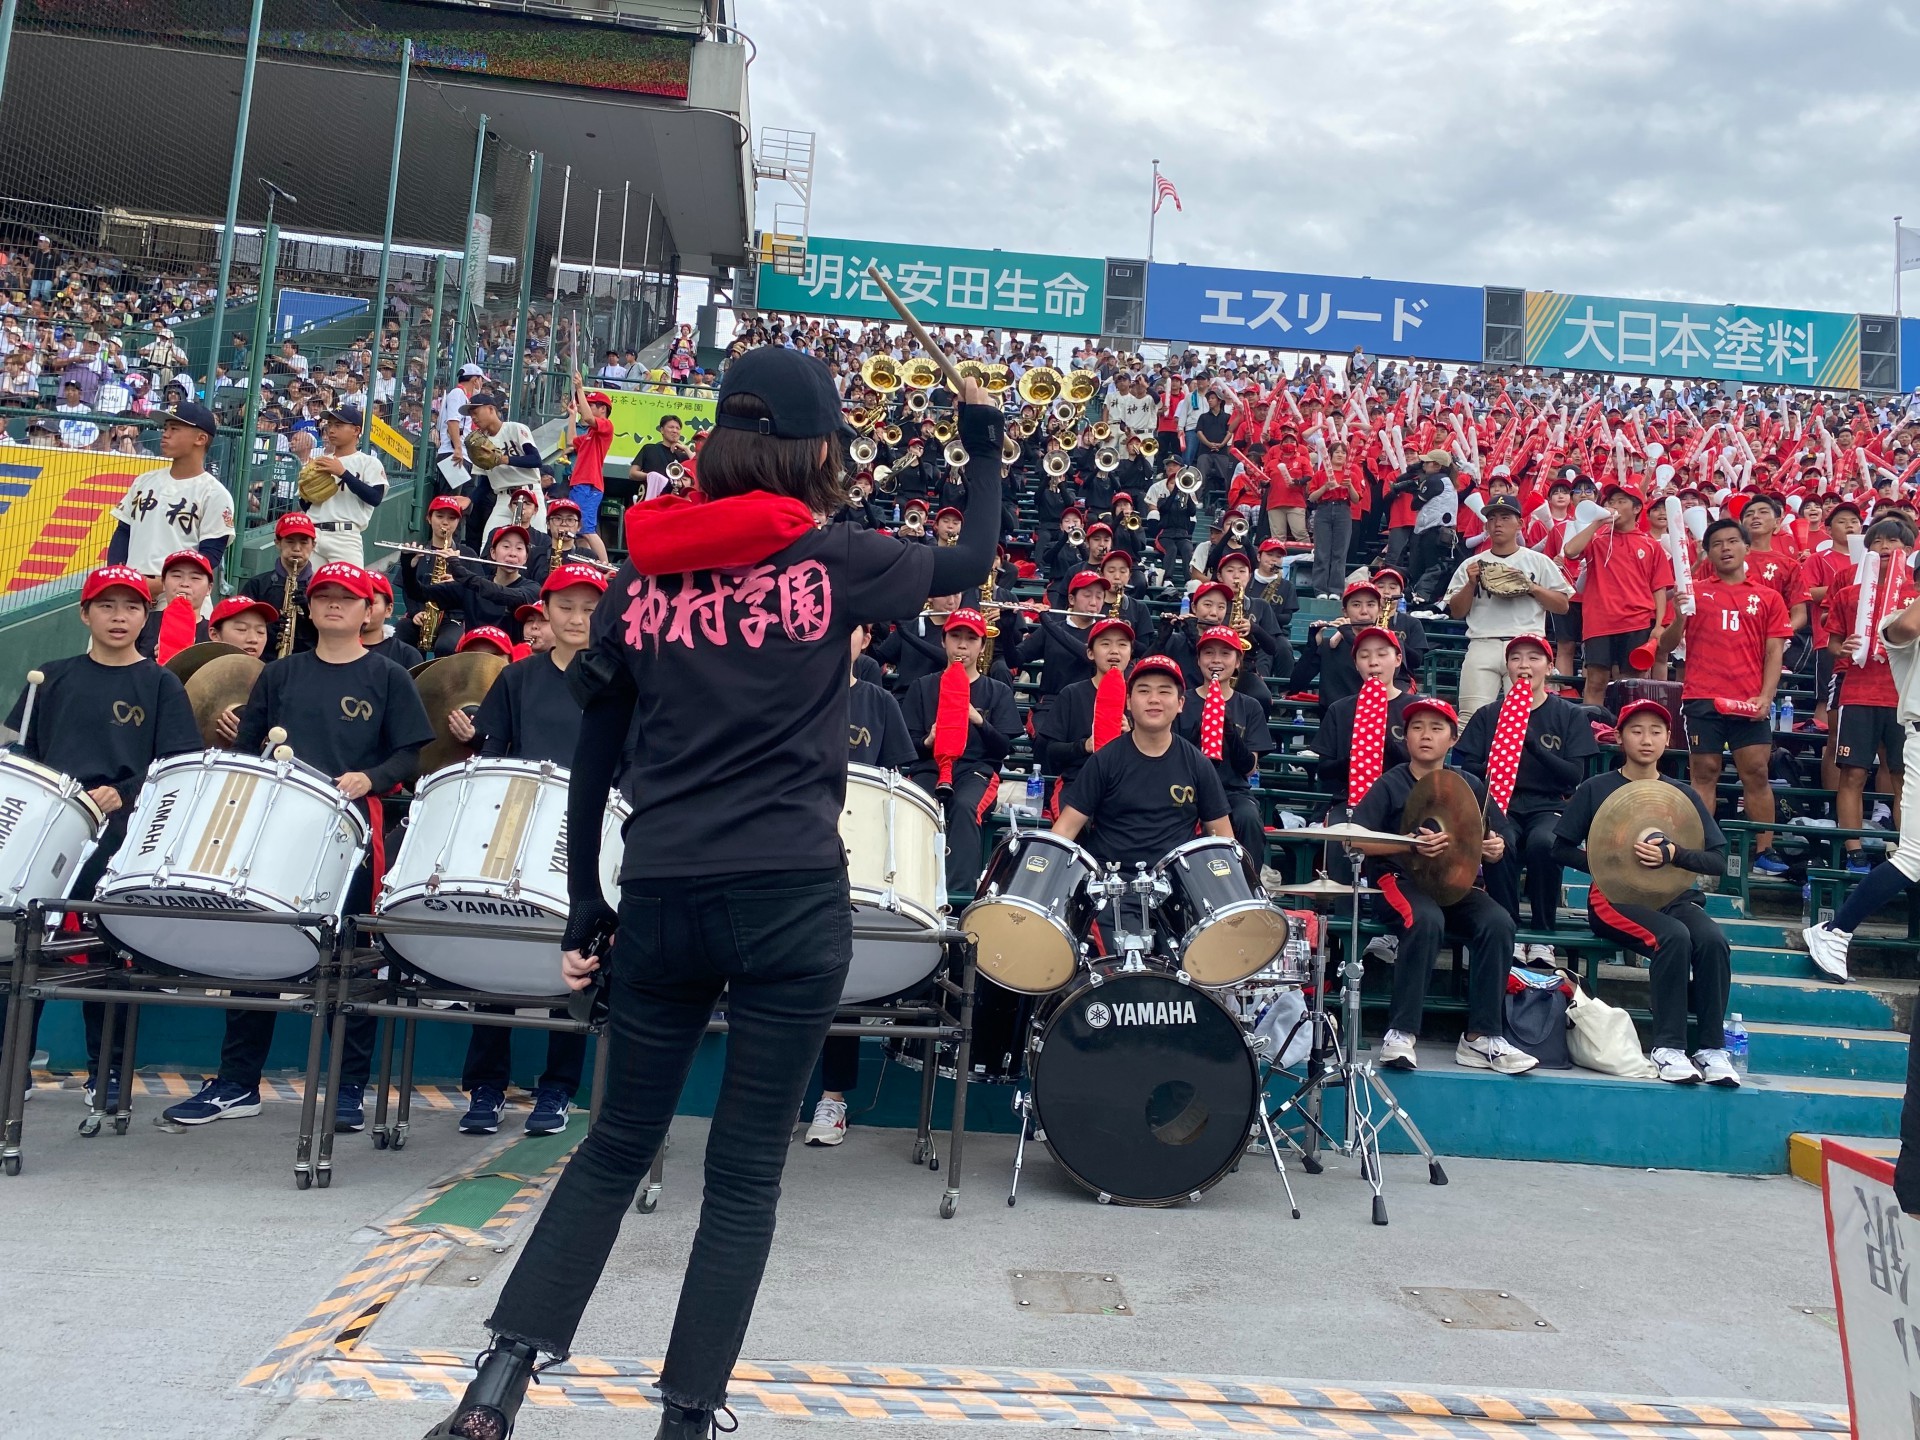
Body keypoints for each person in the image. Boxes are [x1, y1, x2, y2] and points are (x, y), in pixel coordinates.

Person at [426, 350, 1003, 1440]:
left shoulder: (643, 579)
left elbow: (598, 734)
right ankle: (687, 1421)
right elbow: (971, 556)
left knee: (615, 1143)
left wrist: (588, 895)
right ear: (813, 447)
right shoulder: (837, 561)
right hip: (789, 894)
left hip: (663, 886)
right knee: (741, 1177)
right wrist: (979, 444)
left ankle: (495, 1385)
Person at [162, 562, 433, 1132]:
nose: (335, 605)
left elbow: (410, 756)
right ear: (308, 610)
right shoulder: (281, 675)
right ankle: (238, 1083)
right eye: (324, 597)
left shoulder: (388, 677)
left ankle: (347, 1087)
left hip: (353, 832)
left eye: (348, 598)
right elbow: (253, 749)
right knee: (252, 950)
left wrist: (370, 777)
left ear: (368, 610)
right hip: (275, 831)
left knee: (352, 960)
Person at [0, 567, 201, 1108]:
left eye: (132, 607)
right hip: (47, 836)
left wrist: (123, 790)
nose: (119, 617)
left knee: (111, 957)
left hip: (123, 838)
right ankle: (9, 1069)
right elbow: (20, 758)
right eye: (107, 606)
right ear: (84, 613)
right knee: (21, 951)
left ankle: (107, 1075)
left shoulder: (160, 683)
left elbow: (177, 768)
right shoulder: (52, 676)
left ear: (146, 615)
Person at [455, 564, 610, 1138]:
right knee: (500, 953)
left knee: (574, 964)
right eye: (565, 607)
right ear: (544, 611)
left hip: (591, 834)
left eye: (590, 608)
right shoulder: (518, 679)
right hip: (520, 825)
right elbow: (495, 753)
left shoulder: (623, 681)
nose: (577, 619)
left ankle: (557, 1089)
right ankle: (487, 1085)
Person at [1554, 700, 1737, 1085]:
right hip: (1613, 898)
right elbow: (1559, 847)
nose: (1647, 739)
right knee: (1673, 938)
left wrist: (1675, 854)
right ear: (1619, 738)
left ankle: (1710, 1048)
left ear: (1668, 739)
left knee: (1713, 941)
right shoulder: (1595, 788)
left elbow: (1718, 860)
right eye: (1636, 730)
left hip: (1672, 896)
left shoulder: (1680, 794)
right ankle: (1668, 1047)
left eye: (1656, 731)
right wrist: (1610, 861)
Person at [1349, 699, 1531, 1075]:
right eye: (1417, 727)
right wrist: (1408, 844)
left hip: (1457, 885)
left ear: (1453, 739)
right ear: (1405, 737)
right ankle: (1400, 1033)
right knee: (1426, 919)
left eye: (1436, 728)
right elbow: (1354, 839)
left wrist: (1495, 846)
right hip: (1399, 881)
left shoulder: (1470, 785)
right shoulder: (1391, 782)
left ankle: (1481, 1037)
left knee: (1499, 923)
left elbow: (1501, 834)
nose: (1426, 735)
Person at [807, 624, 918, 1149]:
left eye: (849, 628)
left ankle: (832, 1099)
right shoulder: (785, 689)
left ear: (865, 640)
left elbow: (900, 784)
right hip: (789, 845)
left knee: (840, 978)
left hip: (855, 857)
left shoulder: (877, 702)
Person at [1804, 542, 1920, 986]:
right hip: (1914, 734)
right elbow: (1903, 628)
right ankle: (1835, 931)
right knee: (1912, 856)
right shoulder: (1898, 617)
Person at [1654, 517, 1792, 878]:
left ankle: (1765, 850)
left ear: (1747, 547)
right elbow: (1664, 648)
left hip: (1750, 700)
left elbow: (1774, 652)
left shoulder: (1768, 597)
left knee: (1757, 772)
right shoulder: (1694, 592)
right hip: (1702, 696)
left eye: (1733, 541)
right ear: (1708, 552)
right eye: (1717, 543)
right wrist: (1681, 619)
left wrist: (1766, 696)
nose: (1726, 548)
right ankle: (1695, 852)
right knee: (1704, 772)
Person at [1453, 635, 1597, 956]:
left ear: (1548, 667)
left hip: (1548, 805)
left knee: (1544, 842)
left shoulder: (1569, 715)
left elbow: (1574, 777)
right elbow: (1467, 765)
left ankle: (1544, 934)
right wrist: (1498, 757)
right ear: (1507, 667)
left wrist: (1532, 744)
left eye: (1533, 658)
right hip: (1500, 804)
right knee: (1499, 841)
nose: (1524, 665)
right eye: (1516, 658)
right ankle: (1510, 930)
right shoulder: (1489, 714)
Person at [1051, 654, 1233, 883]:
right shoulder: (1104, 760)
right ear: (1128, 702)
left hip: (1177, 892)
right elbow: (1065, 830)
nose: (1154, 699)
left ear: (1180, 704)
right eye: (1144, 691)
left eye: (1165, 691)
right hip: (1111, 889)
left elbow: (1223, 838)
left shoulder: (1197, 764)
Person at [900, 608, 1022, 895]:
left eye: (971, 638)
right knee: (918, 807)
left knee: (965, 807)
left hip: (975, 772)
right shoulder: (922, 686)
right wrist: (927, 742)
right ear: (943, 641)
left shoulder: (996, 690)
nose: (962, 645)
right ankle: (911, 890)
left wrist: (978, 720)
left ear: (982, 645)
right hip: (929, 769)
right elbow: (906, 746)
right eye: (955, 636)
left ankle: (957, 897)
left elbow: (1004, 748)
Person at [1441, 497, 1575, 722]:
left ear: (1520, 524)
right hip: (1483, 643)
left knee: (1525, 719)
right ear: (1485, 526)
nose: (1497, 524)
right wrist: (1471, 583)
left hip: (1526, 644)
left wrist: (1531, 587)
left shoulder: (1538, 561)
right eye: (1492, 519)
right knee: (1470, 719)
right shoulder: (1472, 565)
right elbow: (1456, 611)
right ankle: (1475, 759)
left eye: (1505, 518)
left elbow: (1562, 606)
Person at [1563, 482, 1673, 706]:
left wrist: (1659, 625)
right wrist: (1597, 522)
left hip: (1637, 622)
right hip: (1599, 622)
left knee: (1631, 682)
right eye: (1610, 502)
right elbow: (1570, 551)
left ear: (1636, 509)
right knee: (1595, 679)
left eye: (1621, 501)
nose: (1614, 506)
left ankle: (1626, 729)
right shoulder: (1597, 540)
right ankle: (1592, 730)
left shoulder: (1651, 545)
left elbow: (1659, 588)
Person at [1175, 625, 1272, 868]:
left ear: (1238, 661)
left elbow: (1249, 768)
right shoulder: (1180, 702)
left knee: (1248, 818)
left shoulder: (1249, 706)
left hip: (1232, 790)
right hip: (1185, 789)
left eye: (1225, 654)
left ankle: (1250, 886)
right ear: (1198, 660)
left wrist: (1228, 730)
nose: (1216, 660)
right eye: (1209, 653)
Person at [106, 401, 233, 580]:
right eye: (165, 428)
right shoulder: (144, 481)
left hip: (181, 595)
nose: (165, 434)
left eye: (174, 428)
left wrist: (164, 585)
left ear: (200, 439)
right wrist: (119, 577)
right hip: (133, 591)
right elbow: (123, 532)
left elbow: (210, 555)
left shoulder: (214, 493)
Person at [1032, 617, 1134, 816]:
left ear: (1130, 653)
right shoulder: (1072, 694)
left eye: (1122, 645)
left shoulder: (1140, 695)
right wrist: (1084, 746)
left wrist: (1133, 734)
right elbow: (1051, 751)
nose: (1114, 651)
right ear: (1090, 653)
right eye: (1105, 644)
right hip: (1077, 781)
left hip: (1127, 782)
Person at [299, 406, 387, 566]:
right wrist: (307, 493)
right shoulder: (320, 462)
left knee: (348, 589)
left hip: (345, 536)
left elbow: (375, 498)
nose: (331, 430)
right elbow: (306, 504)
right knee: (306, 589)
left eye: (338, 425)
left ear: (356, 430)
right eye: (330, 425)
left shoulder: (368, 462)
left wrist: (343, 473)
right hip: (313, 534)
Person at [398, 496, 480, 657]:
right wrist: (415, 612)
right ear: (428, 518)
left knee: (447, 646)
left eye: (452, 518)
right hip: (421, 615)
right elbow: (408, 588)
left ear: (458, 522)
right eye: (439, 516)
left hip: (453, 618)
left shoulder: (468, 554)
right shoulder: (419, 551)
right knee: (399, 636)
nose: (445, 522)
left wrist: (459, 583)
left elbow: (477, 593)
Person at [240, 511, 319, 656]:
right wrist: (266, 627)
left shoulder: (323, 588)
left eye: (303, 542)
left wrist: (311, 612)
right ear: (277, 543)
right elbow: (239, 625)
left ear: (313, 545)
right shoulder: (257, 584)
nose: (296, 548)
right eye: (290, 541)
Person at [134, 550, 213, 658]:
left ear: (209, 588)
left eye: (195, 578)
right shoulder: (142, 623)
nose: (184, 584)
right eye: (176, 576)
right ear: (163, 583)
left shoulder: (214, 633)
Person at [566, 377, 614, 536]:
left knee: (586, 529)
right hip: (581, 482)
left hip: (589, 483)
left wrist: (579, 388)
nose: (585, 407)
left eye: (591, 405)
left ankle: (603, 561)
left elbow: (587, 418)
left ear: (603, 409)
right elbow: (571, 441)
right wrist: (572, 415)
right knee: (578, 530)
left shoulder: (606, 426)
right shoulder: (589, 434)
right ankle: (589, 560)